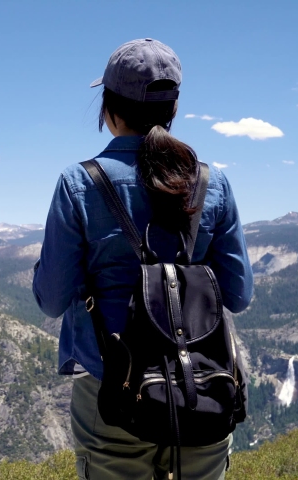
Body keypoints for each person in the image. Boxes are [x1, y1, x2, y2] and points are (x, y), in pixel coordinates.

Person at [32, 38, 254, 480]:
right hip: (203, 390)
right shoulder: (212, 183)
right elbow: (239, 294)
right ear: (172, 110)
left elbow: (52, 300)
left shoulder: (79, 182)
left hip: (113, 390)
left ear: (110, 107)